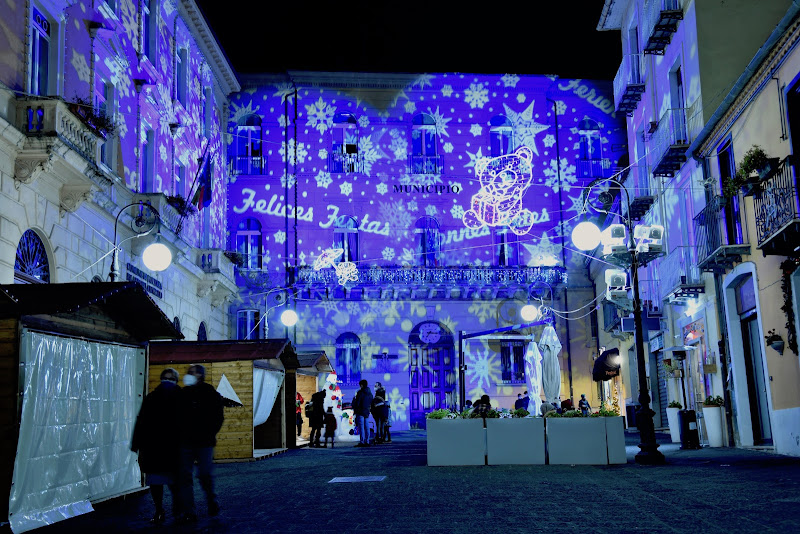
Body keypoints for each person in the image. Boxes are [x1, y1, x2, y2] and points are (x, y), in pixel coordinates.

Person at [131, 368, 182, 524]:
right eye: (166, 377)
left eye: (169, 378)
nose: (167, 380)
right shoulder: (180, 397)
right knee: (168, 482)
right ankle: (171, 511)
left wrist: (136, 444)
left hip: (156, 448)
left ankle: (163, 511)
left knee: (161, 482)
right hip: (169, 448)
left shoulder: (152, 397)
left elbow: (141, 421)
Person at [177, 364, 224, 522]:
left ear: (200, 375)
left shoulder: (210, 394)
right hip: (187, 442)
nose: (189, 375)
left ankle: (211, 500)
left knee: (204, 474)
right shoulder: (183, 394)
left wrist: (209, 433)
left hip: (203, 441)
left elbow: (218, 417)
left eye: (192, 373)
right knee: (186, 476)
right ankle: (189, 510)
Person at [351, 379, 373, 447]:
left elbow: (357, 403)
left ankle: (362, 441)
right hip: (366, 412)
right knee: (367, 426)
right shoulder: (370, 393)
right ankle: (367, 441)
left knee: (361, 427)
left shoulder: (360, 392)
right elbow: (371, 402)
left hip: (360, 412)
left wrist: (355, 405)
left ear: (361, 385)